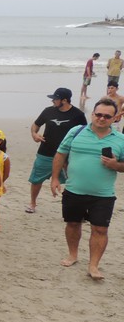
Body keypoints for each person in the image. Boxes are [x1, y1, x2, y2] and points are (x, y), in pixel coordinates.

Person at [50, 97, 124, 280]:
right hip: (74, 190)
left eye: (107, 116)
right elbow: (60, 154)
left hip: (103, 194)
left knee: (100, 229)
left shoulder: (120, 139)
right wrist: (55, 178)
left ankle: (93, 265)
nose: (101, 118)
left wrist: (115, 165)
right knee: (73, 224)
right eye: (98, 114)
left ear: (115, 118)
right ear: (92, 114)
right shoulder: (76, 132)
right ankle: (73, 255)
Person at [26, 88, 86, 213]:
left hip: (67, 155)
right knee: (36, 180)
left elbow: (85, 132)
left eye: (55, 99)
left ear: (64, 100)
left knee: (74, 182)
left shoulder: (78, 115)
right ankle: (32, 203)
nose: (53, 101)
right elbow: (36, 125)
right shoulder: (48, 111)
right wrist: (34, 134)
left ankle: (75, 208)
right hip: (45, 152)